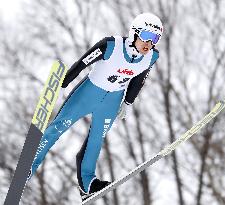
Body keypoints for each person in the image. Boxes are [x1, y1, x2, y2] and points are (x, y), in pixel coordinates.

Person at [27, 12, 163, 198]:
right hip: (88, 94)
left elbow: (138, 80)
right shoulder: (110, 45)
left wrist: (128, 102)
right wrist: (62, 82)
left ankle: (87, 184)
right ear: (134, 33)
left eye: (155, 38)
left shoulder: (151, 57)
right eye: (146, 36)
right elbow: (82, 63)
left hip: (112, 101)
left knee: (96, 141)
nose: (149, 43)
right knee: (58, 128)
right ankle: (29, 164)